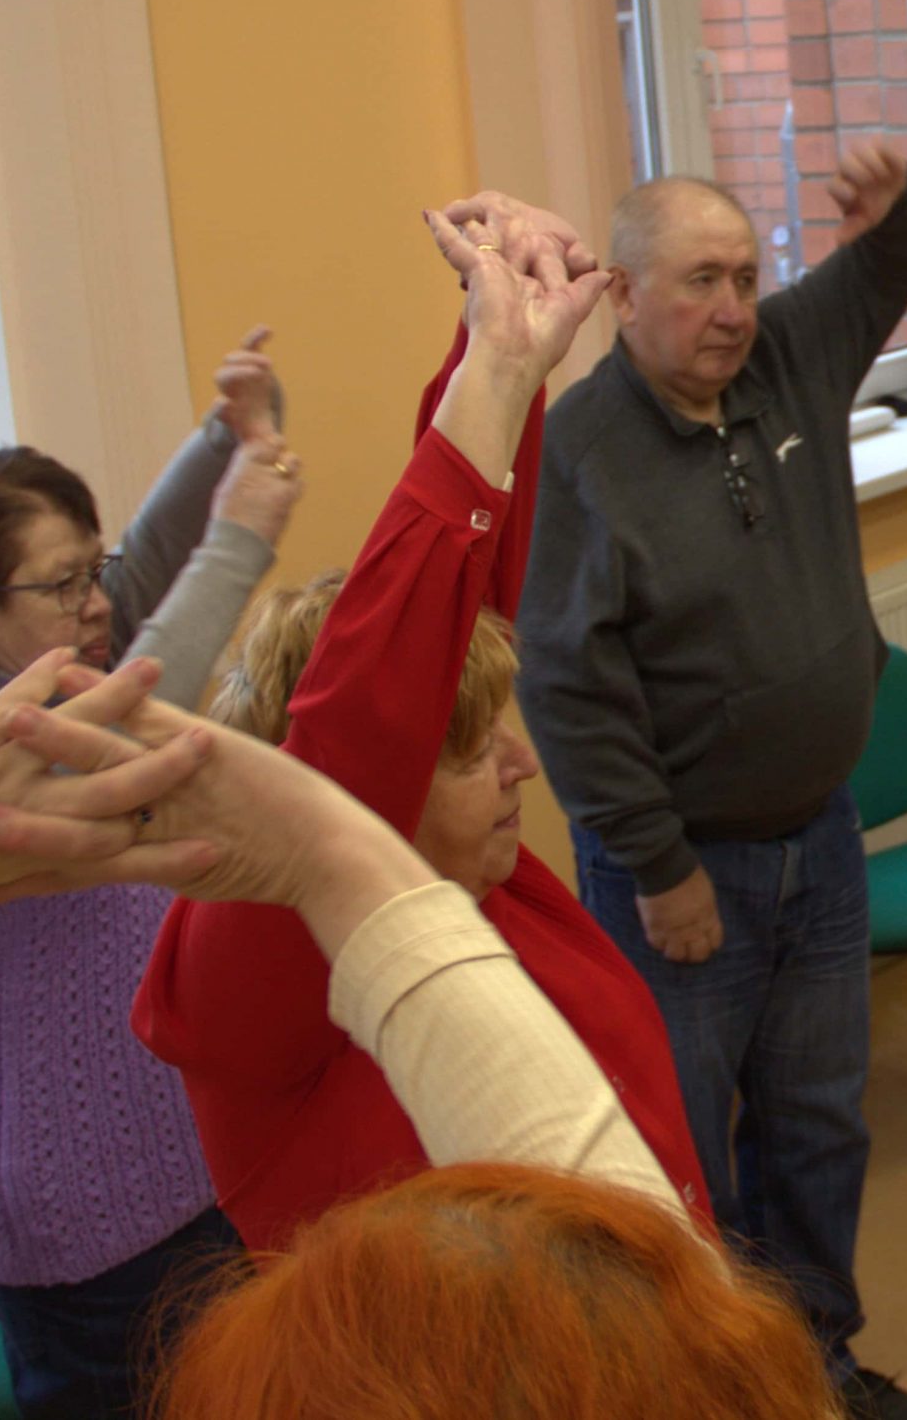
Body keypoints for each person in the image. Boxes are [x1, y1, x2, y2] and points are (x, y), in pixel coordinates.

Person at [0, 652, 836, 1420]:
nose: (521, 763)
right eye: (472, 748)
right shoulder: (665, 1345)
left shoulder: (503, 898)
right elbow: (616, 1239)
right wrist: (337, 850)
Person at [132, 202, 709, 1253]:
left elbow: (460, 578)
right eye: (472, 747)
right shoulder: (268, 958)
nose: (522, 762)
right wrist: (493, 371)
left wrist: (501, 358)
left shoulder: (482, 887)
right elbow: (367, 720)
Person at [513, 146, 907, 1420]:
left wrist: (896, 211)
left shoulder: (783, 360)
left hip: (821, 835)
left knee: (818, 1124)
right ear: (621, 294)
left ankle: (817, 1362)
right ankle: (712, 1389)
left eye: (747, 277)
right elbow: (568, 683)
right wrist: (659, 865)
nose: (734, 308)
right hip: (684, 871)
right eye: (701, 280)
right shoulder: (581, 450)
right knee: (684, 1149)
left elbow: (890, 264)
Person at [0, 331, 303, 1416]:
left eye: (92, 568)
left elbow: (139, 580)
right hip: (77, 1227)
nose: (97, 602)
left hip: (178, 1179)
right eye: (64, 582)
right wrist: (241, 539)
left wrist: (222, 438)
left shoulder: (50, 676)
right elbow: (132, 719)